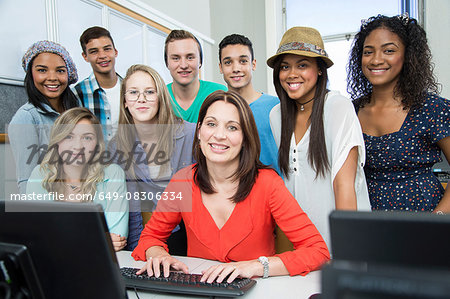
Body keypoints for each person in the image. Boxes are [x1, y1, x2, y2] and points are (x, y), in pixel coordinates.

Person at [131, 90, 329, 282]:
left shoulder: (268, 183)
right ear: (199, 131)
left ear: (245, 138)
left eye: (232, 127)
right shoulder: (183, 182)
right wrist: (158, 254)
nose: (219, 135)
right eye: (211, 124)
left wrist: (254, 266)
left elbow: (318, 251)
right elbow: (150, 237)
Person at [267, 27, 370, 248]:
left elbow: (344, 185)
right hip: (298, 239)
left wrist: (346, 254)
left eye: (302, 65)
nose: (292, 74)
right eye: (285, 67)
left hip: (339, 237)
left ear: (320, 70)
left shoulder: (337, 107)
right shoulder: (276, 115)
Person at [347, 14, 450, 212]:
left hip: (422, 222)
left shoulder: (431, 109)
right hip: (369, 221)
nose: (376, 60)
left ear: (408, 56)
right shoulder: (350, 111)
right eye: (368, 52)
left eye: (389, 51)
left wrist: (437, 220)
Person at [108, 64, 195, 252]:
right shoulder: (117, 145)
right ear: (124, 101)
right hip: (146, 233)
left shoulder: (191, 134)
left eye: (149, 92)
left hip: (188, 231)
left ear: (160, 98)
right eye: (133, 92)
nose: (141, 99)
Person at [26, 107, 129, 251]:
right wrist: (98, 240)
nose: (78, 146)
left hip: (98, 264)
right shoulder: (41, 174)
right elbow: (35, 236)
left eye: (87, 138)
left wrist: (60, 238)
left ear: (97, 144)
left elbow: (118, 237)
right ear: (57, 140)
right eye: (69, 136)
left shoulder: (113, 174)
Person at [9, 40, 80, 194]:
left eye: (60, 71)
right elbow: (26, 181)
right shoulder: (26, 118)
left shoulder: (77, 109)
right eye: (42, 70)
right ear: (31, 74)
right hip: (51, 205)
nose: (52, 77)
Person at [218, 34, 280, 174]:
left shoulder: (276, 107)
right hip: (233, 191)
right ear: (221, 67)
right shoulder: (217, 111)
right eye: (228, 62)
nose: (236, 68)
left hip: (274, 190)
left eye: (243, 61)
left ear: (253, 64)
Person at [164, 29, 226, 123]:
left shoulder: (220, 94)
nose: (183, 65)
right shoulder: (159, 97)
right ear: (167, 63)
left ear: (200, 61)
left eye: (190, 57)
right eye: (176, 58)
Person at [72, 26, 121, 142]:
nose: (102, 56)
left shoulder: (131, 89)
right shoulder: (76, 94)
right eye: (94, 51)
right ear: (85, 56)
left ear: (115, 52)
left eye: (107, 49)